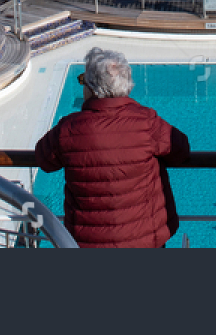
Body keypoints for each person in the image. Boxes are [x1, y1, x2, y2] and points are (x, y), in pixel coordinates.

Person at [34, 48, 190, 247]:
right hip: (145, 242)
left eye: (82, 80)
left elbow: (44, 160)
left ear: (91, 88)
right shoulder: (147, 123)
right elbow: (181, 150)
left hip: (89, 243)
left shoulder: (69, 129)